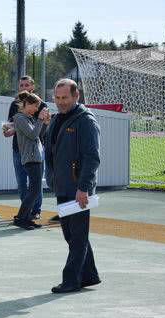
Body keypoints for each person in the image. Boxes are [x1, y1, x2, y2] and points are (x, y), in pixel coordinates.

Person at [45, 79, 101, 294]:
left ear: (76, 97)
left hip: (78, 188)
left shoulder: (85, 121)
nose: (60, 102)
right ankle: (88, 275)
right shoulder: (57, 119)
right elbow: (52, 148)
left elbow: (92, 157)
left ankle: (71, 280)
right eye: (57, 98)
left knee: (76, 236)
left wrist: (84, 187)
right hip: (62, 186)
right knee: (72, 235)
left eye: (65, 98)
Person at [4, 75, 49, 221]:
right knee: (23, 183)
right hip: (21, 149)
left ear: (32, 87)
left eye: (26, 85)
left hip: (36, 151)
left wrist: (44, 122)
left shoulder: (40, 105)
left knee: (35, 185)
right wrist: (10, 130)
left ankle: (34, 211)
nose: (23, 88)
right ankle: (24, 214)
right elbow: (17, 125)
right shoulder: (17, 109)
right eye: (21, 85)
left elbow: (38, 132)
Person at [12, 91, 50, 230]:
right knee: (34, 190)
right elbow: (33, 135)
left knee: (35, 189)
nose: (37, 109)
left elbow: (39, 135)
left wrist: (44, 123)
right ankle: (21, 218)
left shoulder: (29, 118)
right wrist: (40, 119)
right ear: (26, 104)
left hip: (37, 157)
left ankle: (26, 217)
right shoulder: (20, 118)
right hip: (30, 158)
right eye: (35, 106)